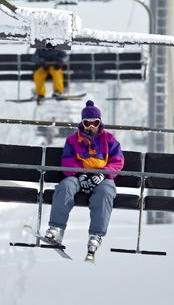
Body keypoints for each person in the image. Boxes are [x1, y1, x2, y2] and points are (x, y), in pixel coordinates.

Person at [45, 100, 125, 255]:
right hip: (77, 176)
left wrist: (102, 174)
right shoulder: (73, 140)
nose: (91, 126)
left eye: (95, 122)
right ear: (82, 123)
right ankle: (56, 228)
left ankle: (96, 234)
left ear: (99, 122)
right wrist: (80, 174)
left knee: (106, 192)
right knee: (65, 187)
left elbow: (117, 161)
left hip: (102, 178)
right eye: (87, 123)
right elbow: (67, 160)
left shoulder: (109, 140)